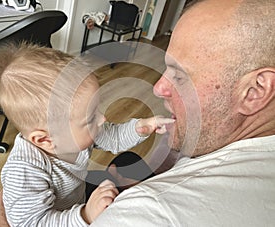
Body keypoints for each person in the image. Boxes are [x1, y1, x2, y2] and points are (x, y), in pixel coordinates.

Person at [91, 0, 275, 226]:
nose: (158, 88)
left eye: (180, 76)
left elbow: (111, 137)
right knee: (127, 160)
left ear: (255, 91)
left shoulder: (145, 214)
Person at [0, 42, 174, 226]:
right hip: (63, 219)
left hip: (77, 198)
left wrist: (143, 126)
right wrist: (85, 215)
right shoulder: (25, 172)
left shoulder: (71, 136)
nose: (103, 119)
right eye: (90, 118)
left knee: (130, 164)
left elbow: (114, 137)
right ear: (45, 139)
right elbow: (33, 222)